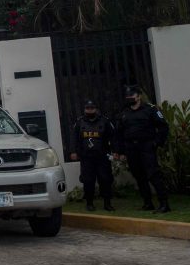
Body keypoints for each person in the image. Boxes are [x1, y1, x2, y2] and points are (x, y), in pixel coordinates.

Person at [114, 85, 171, 213]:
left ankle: (164, 204)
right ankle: (147, 203)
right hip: (131, 148)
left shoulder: (150, 109)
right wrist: (120, 151)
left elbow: (163, 127)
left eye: (132, 96)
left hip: (146, 146)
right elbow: (119, 133)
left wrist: (156, 143)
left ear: (138, 96)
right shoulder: (124, 113)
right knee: (139, 176)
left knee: (153, 174)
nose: (129, 98)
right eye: (127, 96)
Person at [69, 100, 116, 212]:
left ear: (96, 109)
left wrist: (115, 151)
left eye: (92, 108)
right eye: (87, 108)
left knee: (105, 179)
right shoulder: (79, 122)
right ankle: (89, 203)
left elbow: (113, 137)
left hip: (102, 157)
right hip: (86, 157)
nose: (89, 110)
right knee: (88, 180)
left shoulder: (105, 121)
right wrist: (73, 151)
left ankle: (107, 203)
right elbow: (74, 138)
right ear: (85, 109)